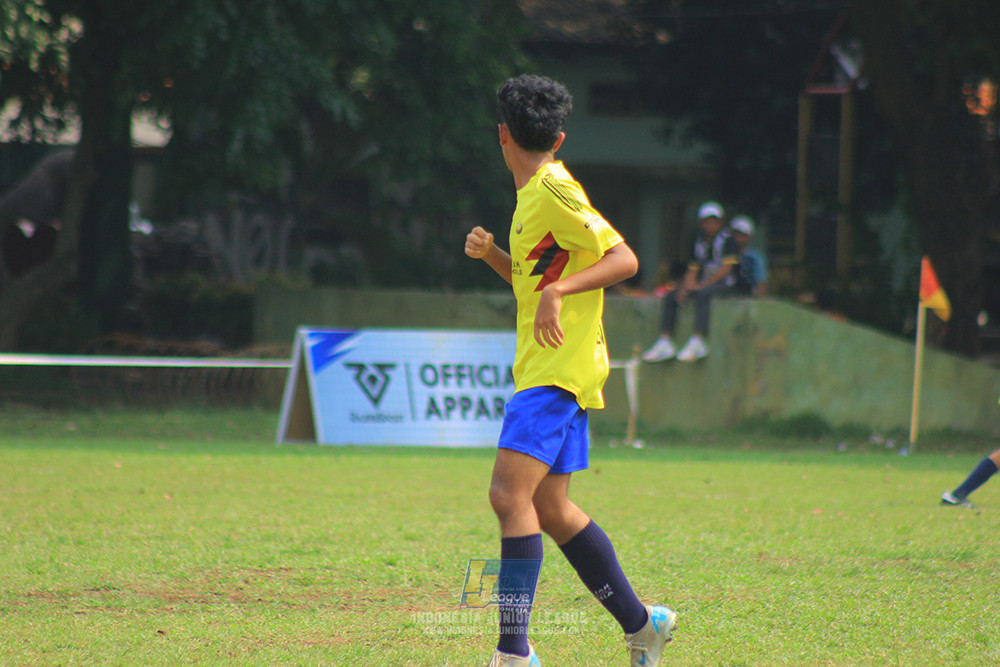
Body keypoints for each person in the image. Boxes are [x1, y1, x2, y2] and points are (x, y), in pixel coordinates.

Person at [465, 73, 677, 667]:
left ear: (501, 134)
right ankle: (643, 626)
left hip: (556, 373)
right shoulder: (533, 197)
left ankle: (513, 653)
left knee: (508, 496)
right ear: (557, 136)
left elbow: (624, 258)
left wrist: (561, 291)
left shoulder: (554, 191)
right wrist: (495, 259)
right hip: (555, 367)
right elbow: (534, 286)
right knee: (551, 509)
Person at [641, 201, 740, 362]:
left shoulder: (729, 241)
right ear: (701, 224)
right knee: (671, 297)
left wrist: (702, 286)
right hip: (703, 285)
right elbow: (693, 268)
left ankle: (698, 339)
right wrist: (685, 288)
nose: (711, 225)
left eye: (714, 221)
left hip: (726, 285)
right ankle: (665, 341)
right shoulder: (698, 241)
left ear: (720, 223)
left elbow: (726, 270)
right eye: (707, 222)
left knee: (702, 295)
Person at [730, 215, 767, 297]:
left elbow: (761, 282)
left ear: (749, 237)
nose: (739, 239)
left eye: (743, 236)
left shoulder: (755, 258)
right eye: (736, 235)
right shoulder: (726, 256)